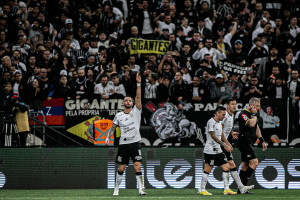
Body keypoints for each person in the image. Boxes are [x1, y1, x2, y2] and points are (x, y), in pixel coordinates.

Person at [105, 73, 146, 196]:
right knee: (121, 168)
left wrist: (138, 83)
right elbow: (112, 128)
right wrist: (108, 137)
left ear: (132, 103)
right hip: (123, 144)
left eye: (129, 100)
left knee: (137, 166)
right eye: (126, 100)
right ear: (123, 104)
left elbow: (138, 97)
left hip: (135, 143)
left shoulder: (136, 111)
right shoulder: (119, 115)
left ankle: (141, 189)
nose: (128, 101)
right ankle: (116, 188)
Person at [199, 106, 238, 195]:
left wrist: (227, 144)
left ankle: (226, 189)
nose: (224, 116)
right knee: (207, 169)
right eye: (223, 114)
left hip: (218, 150)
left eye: (225, 114)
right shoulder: (211, 122)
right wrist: (224, 145)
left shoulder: (219, 123)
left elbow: (221, 135)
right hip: (210, 150)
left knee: (226, 167)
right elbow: (213, 136)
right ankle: (201, 189)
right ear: (217, 113)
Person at [221, 98, 255, 193]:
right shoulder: (225, 116)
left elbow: (225, 130)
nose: (234, 106)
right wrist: (227, 144)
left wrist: (231, 132)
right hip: (219, 144)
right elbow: (220, 131)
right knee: (211, 166)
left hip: (222, 143)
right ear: (227, 105)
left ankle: (238, 187)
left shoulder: (231, 116)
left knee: (230, 165)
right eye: (232, 104)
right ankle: (235, 187)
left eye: (235, 104)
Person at [237, 97, 267, 194]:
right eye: (257, 106)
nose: (258, 108)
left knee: (245, 165)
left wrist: (262, 140)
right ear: (251, 105)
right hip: (244, 141)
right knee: (254, 162)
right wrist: (254, 115)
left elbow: (257, 128)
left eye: (259, 106)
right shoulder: (243, 114)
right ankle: (243, 187)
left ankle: (240, 189)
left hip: (249, 141)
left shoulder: (254, 114)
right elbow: (251, 124)